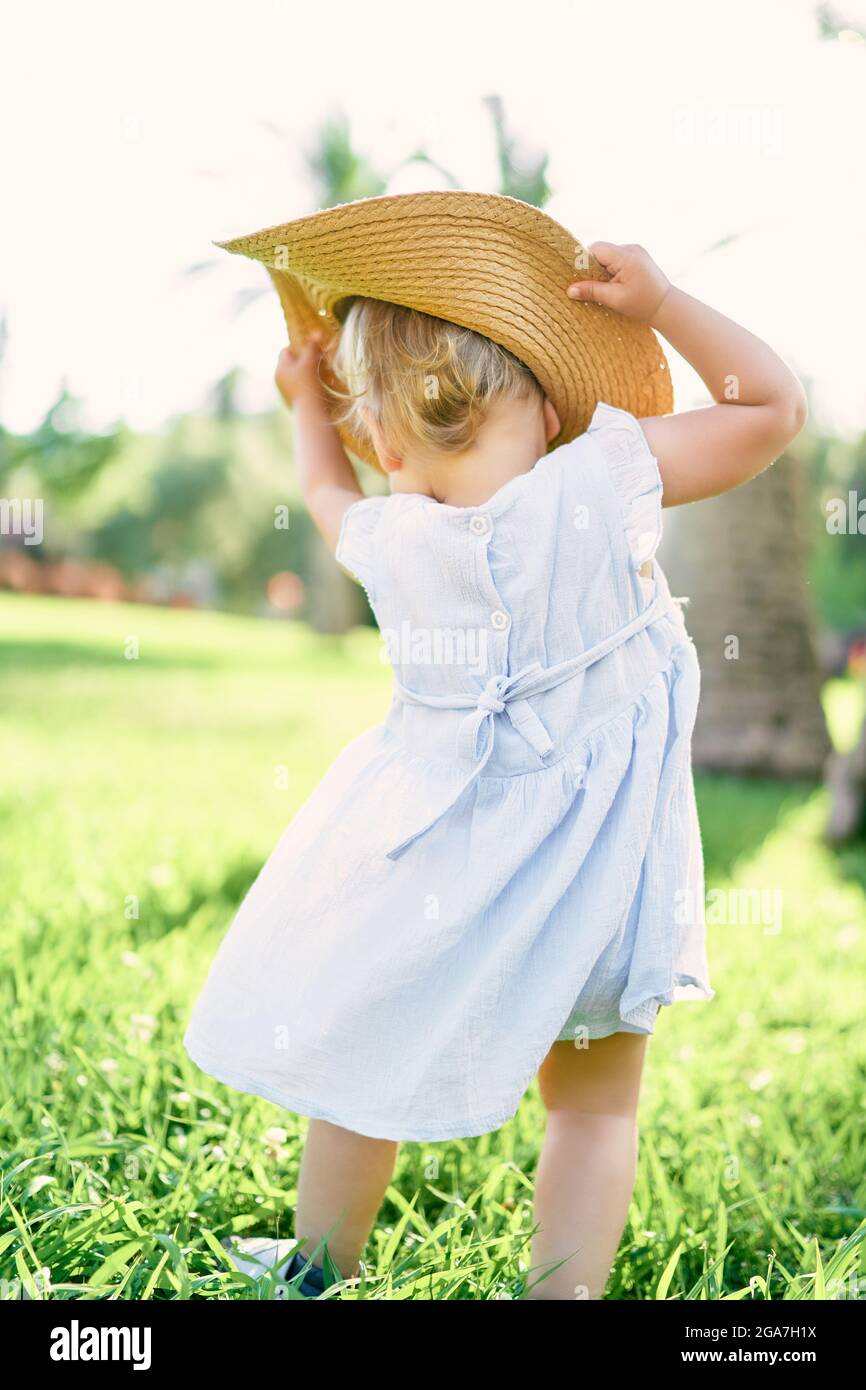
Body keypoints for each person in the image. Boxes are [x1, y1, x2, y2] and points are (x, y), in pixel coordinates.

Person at [185, 195, 806, 1299]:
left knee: (353, 1063)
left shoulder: (387, 536)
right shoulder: (599, 477)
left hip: (434, 879)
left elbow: (322, 489)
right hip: (602, 882)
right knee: (597, 1106)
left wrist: (303, 408)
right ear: (548, 394)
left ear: (382, 438)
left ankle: (315, 1267)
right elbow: (767, 407)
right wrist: (661, 304)